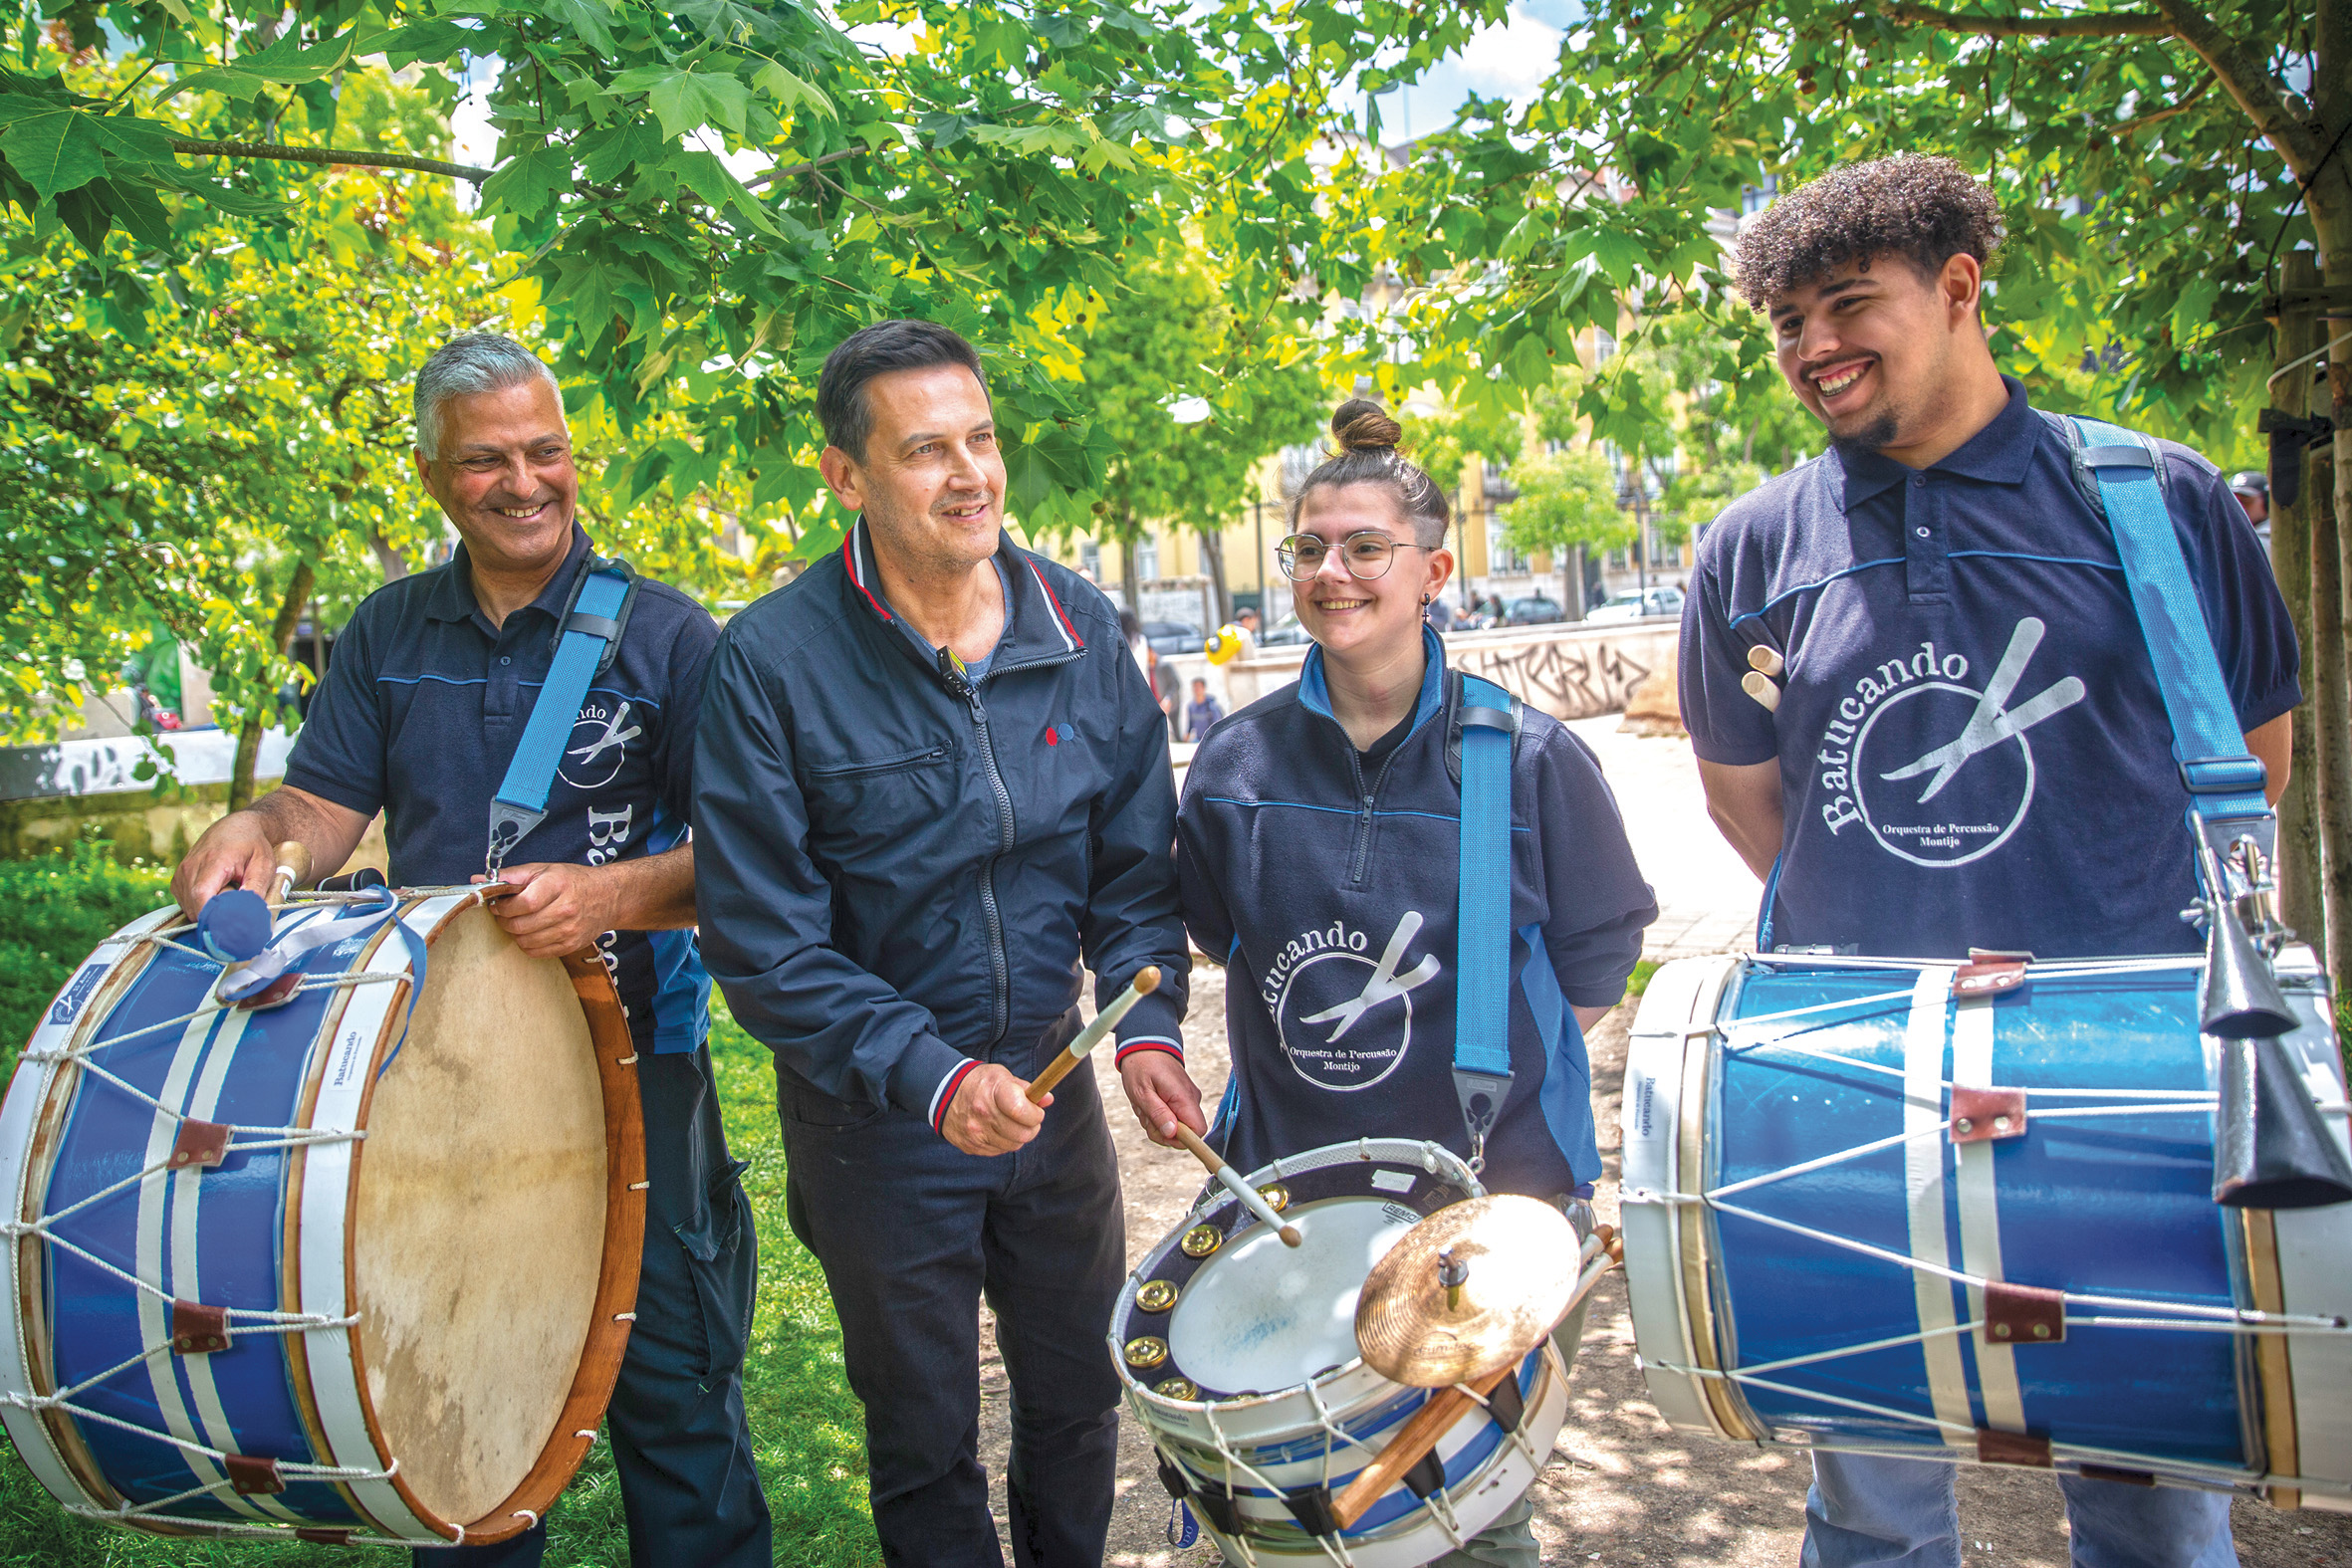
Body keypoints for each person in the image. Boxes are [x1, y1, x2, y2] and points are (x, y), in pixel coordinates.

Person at [1680, 155, 2296, 1568]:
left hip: (2129, 1065)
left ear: (1958, 288)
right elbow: (1746, 796)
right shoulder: (1752, 543)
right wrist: (1891, 910)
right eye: (1785, 321)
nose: (1812, 345)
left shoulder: (2155, 496)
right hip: (1860, 1070)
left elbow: (2249, 762)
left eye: (1848, 303)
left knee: (2155, 1508)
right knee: (1872, 1512)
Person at [170, 334, 771, 1568]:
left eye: (545, 452)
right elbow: (321, 812)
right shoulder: (387, 632)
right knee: (448, 1382)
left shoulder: (668, 637)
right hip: (431, 1070)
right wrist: (260, 833)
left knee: (674, 1389)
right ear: (434, 475)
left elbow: (747, 857)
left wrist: (608, 895)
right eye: (488, 460)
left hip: (634, 1068)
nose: (524, 482)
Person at [1122, 399, 1656, 1567]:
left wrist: (1493, 1068)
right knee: (1307, 1521)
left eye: (1366, 547)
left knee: (1465, 1515)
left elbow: (1600, 949)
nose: (1332, 573)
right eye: (1309, 548)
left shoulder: (1528, 759)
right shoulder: (1234, 763)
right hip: (1295, 1198)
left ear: (1433, 573)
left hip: (1492, 1198)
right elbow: (1205, 929)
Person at [691, 320, 1190, 1567]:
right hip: (877, 1121)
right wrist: (932, 1076)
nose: (970, 475)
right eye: (925, 450)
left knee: (1079, 1400)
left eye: (980, 439)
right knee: (922, 1439)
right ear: (844, 476)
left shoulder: (1078, 625)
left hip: (1052, 1097)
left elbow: (1135, 868)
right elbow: (763, 944)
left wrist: (1149, 1030)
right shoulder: (770, 664)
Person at [2230, 469, 2272, 562]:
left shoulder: (2269, 540)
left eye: (2245, 501)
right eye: (2234, 502)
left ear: (2267, 502)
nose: (2239, 507)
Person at [1184, 676, 1224, 741]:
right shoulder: (1191, 706)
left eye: (1199, 687)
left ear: (1204, 688)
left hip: (1210, 739)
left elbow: (1217, 725)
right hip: (1198, 739)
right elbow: (1190, 725)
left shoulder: (1212, 706)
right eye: (1194, 687)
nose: (1196, 689)